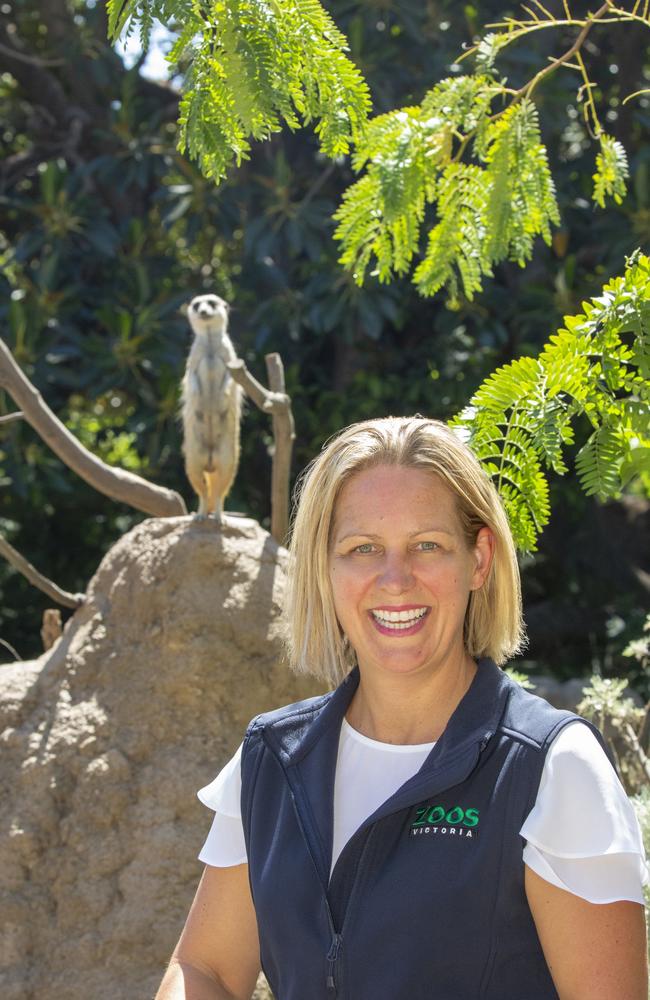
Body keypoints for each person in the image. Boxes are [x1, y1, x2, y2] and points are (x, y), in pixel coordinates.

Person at [156, 416, 648, 1000]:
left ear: (480, 560)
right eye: (363, 548)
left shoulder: (551, 768)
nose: (395, 580)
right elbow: (205, 969)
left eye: (427, 546)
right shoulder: (271, 761)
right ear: (324, 566)